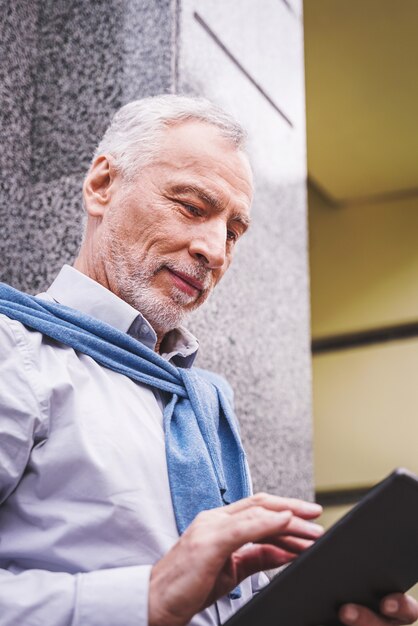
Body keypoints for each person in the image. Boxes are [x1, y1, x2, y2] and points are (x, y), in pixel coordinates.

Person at [0, 95, 416, 626]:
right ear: (103, 185)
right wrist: (148, 597)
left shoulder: (203, 404)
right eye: (193, 207)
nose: (216, 250)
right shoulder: (14, 349)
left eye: (234, 232)